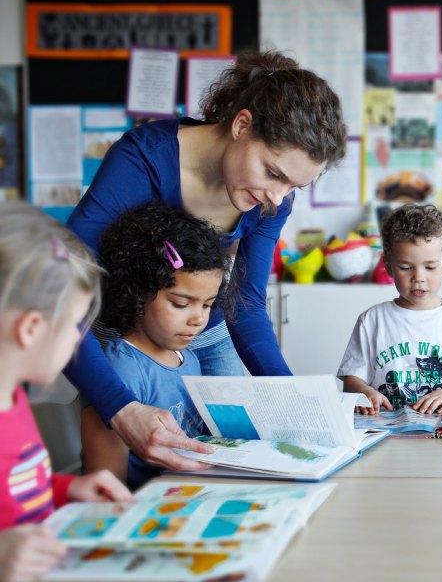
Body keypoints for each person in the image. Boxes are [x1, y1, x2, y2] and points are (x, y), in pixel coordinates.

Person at [63, 49, 348, 474]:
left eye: (293, 186)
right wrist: (120, 408)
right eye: (273, 172)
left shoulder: (273, 200)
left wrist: (296, 404)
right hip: (119, 325)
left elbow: (245, 304)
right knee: (132, 454)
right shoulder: (142, 159)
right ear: (241, 125)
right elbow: (63, 291)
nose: (277, 198)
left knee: (232, 458)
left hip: (207, 330)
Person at [0, 202, 132, 582]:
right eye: (76, 325)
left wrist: (67, 489)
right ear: (30, 329)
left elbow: (18, 490)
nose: (79, 341)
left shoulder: (15, 399)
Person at [80, 203, 229, 489]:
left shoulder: (186, 356)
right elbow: (106, 486)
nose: (198, 319)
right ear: (139, 293)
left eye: (208, 305)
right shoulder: (121, 369)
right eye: (181, 304)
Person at [339, 204, 442, 415]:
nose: (418, 277)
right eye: (405, 267)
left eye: (430, 267)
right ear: (388, 266)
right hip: (391, 430)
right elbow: (351, 380)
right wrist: (365, 392)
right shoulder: (372, 320)